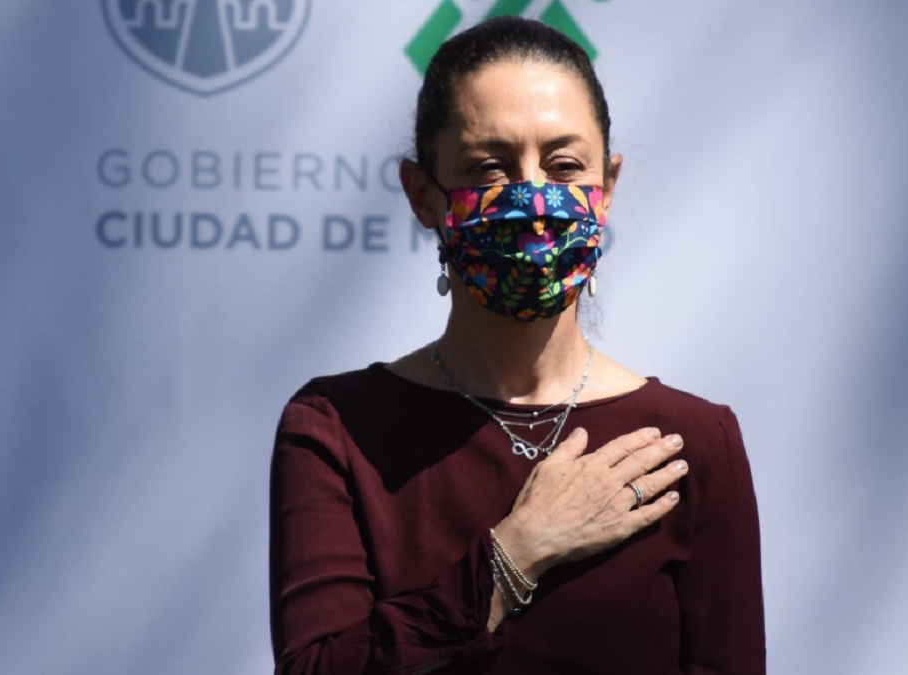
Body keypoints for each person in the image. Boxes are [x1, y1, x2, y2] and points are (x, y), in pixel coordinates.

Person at [269, 16, 765, 675]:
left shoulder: (692, 442)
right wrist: (513, 556)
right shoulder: (336, 429)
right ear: (423, 195)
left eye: (564, 166)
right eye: (489, 168)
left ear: (607, 188)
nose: (533, 198)